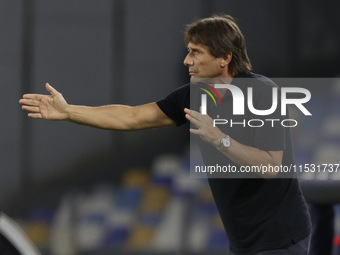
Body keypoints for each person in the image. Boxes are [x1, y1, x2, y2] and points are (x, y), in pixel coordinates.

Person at [19, 15, 311, 254]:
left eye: (196, 52)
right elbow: (133, 117)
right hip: (244, 241)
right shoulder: (195, 95)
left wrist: (218, 139)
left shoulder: (262, 93)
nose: (187, 60)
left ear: (224, 58)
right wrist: (69, 111)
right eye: (189, 51)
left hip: (281, 239)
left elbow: (271, 166)